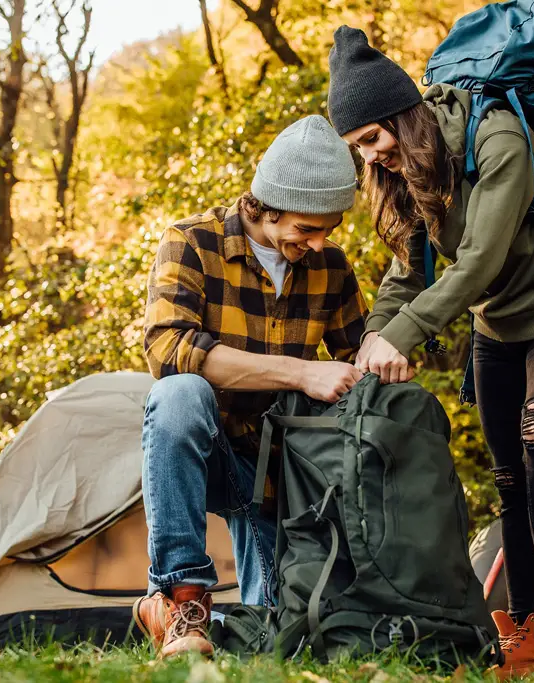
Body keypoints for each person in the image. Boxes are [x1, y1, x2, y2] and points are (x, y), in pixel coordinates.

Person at [326, 26, 534, 683]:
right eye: (357, 148)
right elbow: (410, 268)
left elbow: (477, 262)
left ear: (399, 114)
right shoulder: (409, 169)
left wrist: (405, 335)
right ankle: (525, 634)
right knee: (508, 474)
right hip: (498, 327)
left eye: (372, 138)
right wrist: (376, 333)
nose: (371, 157)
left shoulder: (497, 139)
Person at [134, 114, 368, 659]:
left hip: (284, 472)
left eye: (328, 230)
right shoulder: (191, 242)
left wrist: (386, 351)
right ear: (266, 204)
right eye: (307, 229)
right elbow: (169, 351)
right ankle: (182, 601)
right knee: (178, 395)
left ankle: (164, 611)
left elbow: (357, 356)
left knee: (275, 637)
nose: (318, 243)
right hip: (209, 452)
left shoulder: (330, 266)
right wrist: (302, 372)